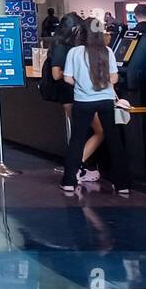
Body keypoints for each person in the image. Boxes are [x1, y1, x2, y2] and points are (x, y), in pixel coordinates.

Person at [61, 19, 129, 195]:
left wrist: (82, 84)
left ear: (82, 32)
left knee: (77, 140)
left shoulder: (74, 52)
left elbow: (67, 78)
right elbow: (114, 78)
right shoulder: (107, 51)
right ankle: (122, 184)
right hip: (106, 101)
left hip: (83, 101)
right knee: (114, 140)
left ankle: (68, 181)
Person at [45, 14, 103, 183]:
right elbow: (57, 75)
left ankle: (79, 168)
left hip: (72, 94)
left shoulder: (62, 45)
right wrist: (78, 74)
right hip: (72, 94)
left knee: (82, 132)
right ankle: (77, 167)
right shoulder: (63, 47)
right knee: (96, 131)